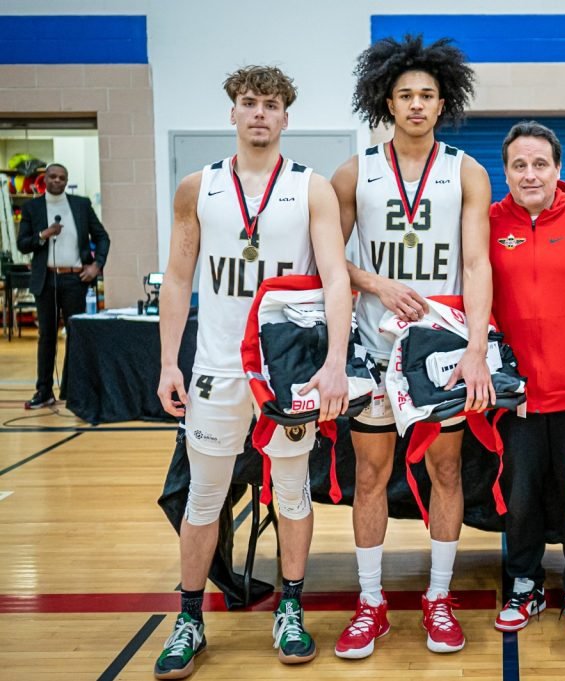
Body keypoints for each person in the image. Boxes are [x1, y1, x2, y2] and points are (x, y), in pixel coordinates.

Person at [154, 66, 351, 679]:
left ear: (286, 116)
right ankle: (190, 618)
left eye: (270, 104)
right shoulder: (198, 187)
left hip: (286, 371)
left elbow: (336, 279)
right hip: (215, 367)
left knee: (291, 492)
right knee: (204, 496)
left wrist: (335, 363)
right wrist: (168, 362)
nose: (259, 113)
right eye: (249, 102)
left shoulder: (312, 187)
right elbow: (178, 279)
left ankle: (290, 609)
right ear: (232, 113)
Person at [330, 34, 493, 658]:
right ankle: (371, 603)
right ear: (387, 102)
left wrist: (475, 347)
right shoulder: (355, 172)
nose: (417, 105)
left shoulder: (466, 170)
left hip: (440, 352)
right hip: (374, 350)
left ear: (443, 102)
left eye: (427, 95)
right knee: (371, 476)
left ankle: (439, 597)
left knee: (446, 471)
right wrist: (376, 283)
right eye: (406, 95)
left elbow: (477, 265)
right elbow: (328, 261)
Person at [488, 121, 565, 641]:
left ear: (559, 168)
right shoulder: (488, 221)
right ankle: (524, 584)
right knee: (520, 498)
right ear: (505, 172)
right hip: (515, 396)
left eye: (540, 164)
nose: (530, 174)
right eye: (519, 165)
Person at [16, 162, 109, 408]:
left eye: (62, 178)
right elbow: (22, 244)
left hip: (75, 279)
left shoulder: (81, 205)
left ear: (66, 181)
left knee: (76, 335)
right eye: (53, 176)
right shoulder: (32, 208)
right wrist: (43, 235)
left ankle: (74, 390)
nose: (57, 180)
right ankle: (44, 391)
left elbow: (102, 237)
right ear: (45, 179)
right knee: (46, 336)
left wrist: (96, 266)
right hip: (46, 279)